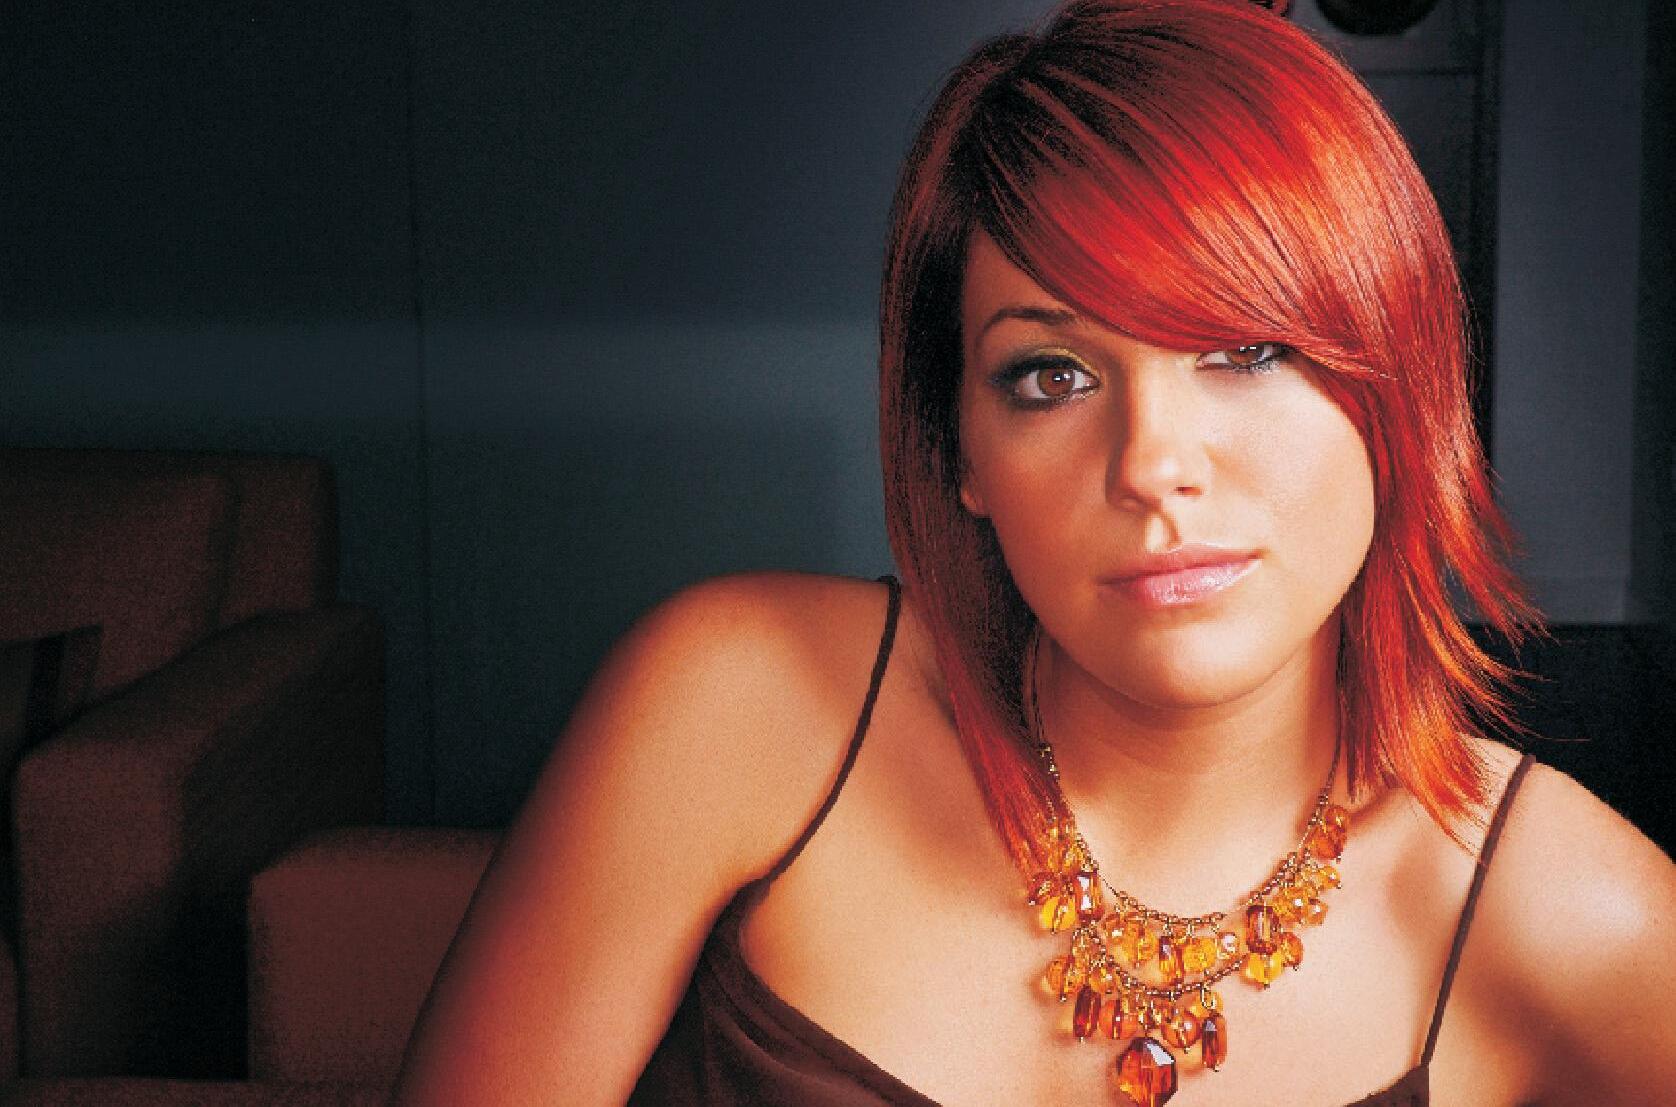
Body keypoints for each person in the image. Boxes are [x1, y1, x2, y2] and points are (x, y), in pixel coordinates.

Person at [392, 1, 1676, 1103]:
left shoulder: (1571, 916)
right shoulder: (741, 702)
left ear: (1395, 385)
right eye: (1050, 374)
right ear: (958, 445)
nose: (1150, 464)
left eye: (1243, 350)